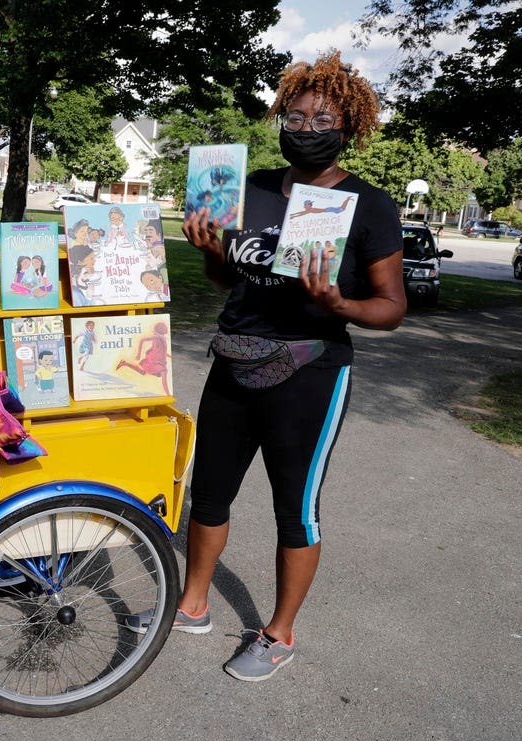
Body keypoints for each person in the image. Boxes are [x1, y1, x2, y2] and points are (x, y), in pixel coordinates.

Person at [178, 50, 406, 681]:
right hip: (235, 355)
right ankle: (192, 604)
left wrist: (341, 302)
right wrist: (208, 251)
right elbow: (230, 278)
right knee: (209, 493)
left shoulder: (370, 203)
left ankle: (277, 633)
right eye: (296, 115)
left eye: (322, 117)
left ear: (349, 126)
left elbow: (391, 307)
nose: (306, 127)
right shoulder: (248, 188)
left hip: (311, 369)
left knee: (294, 508)